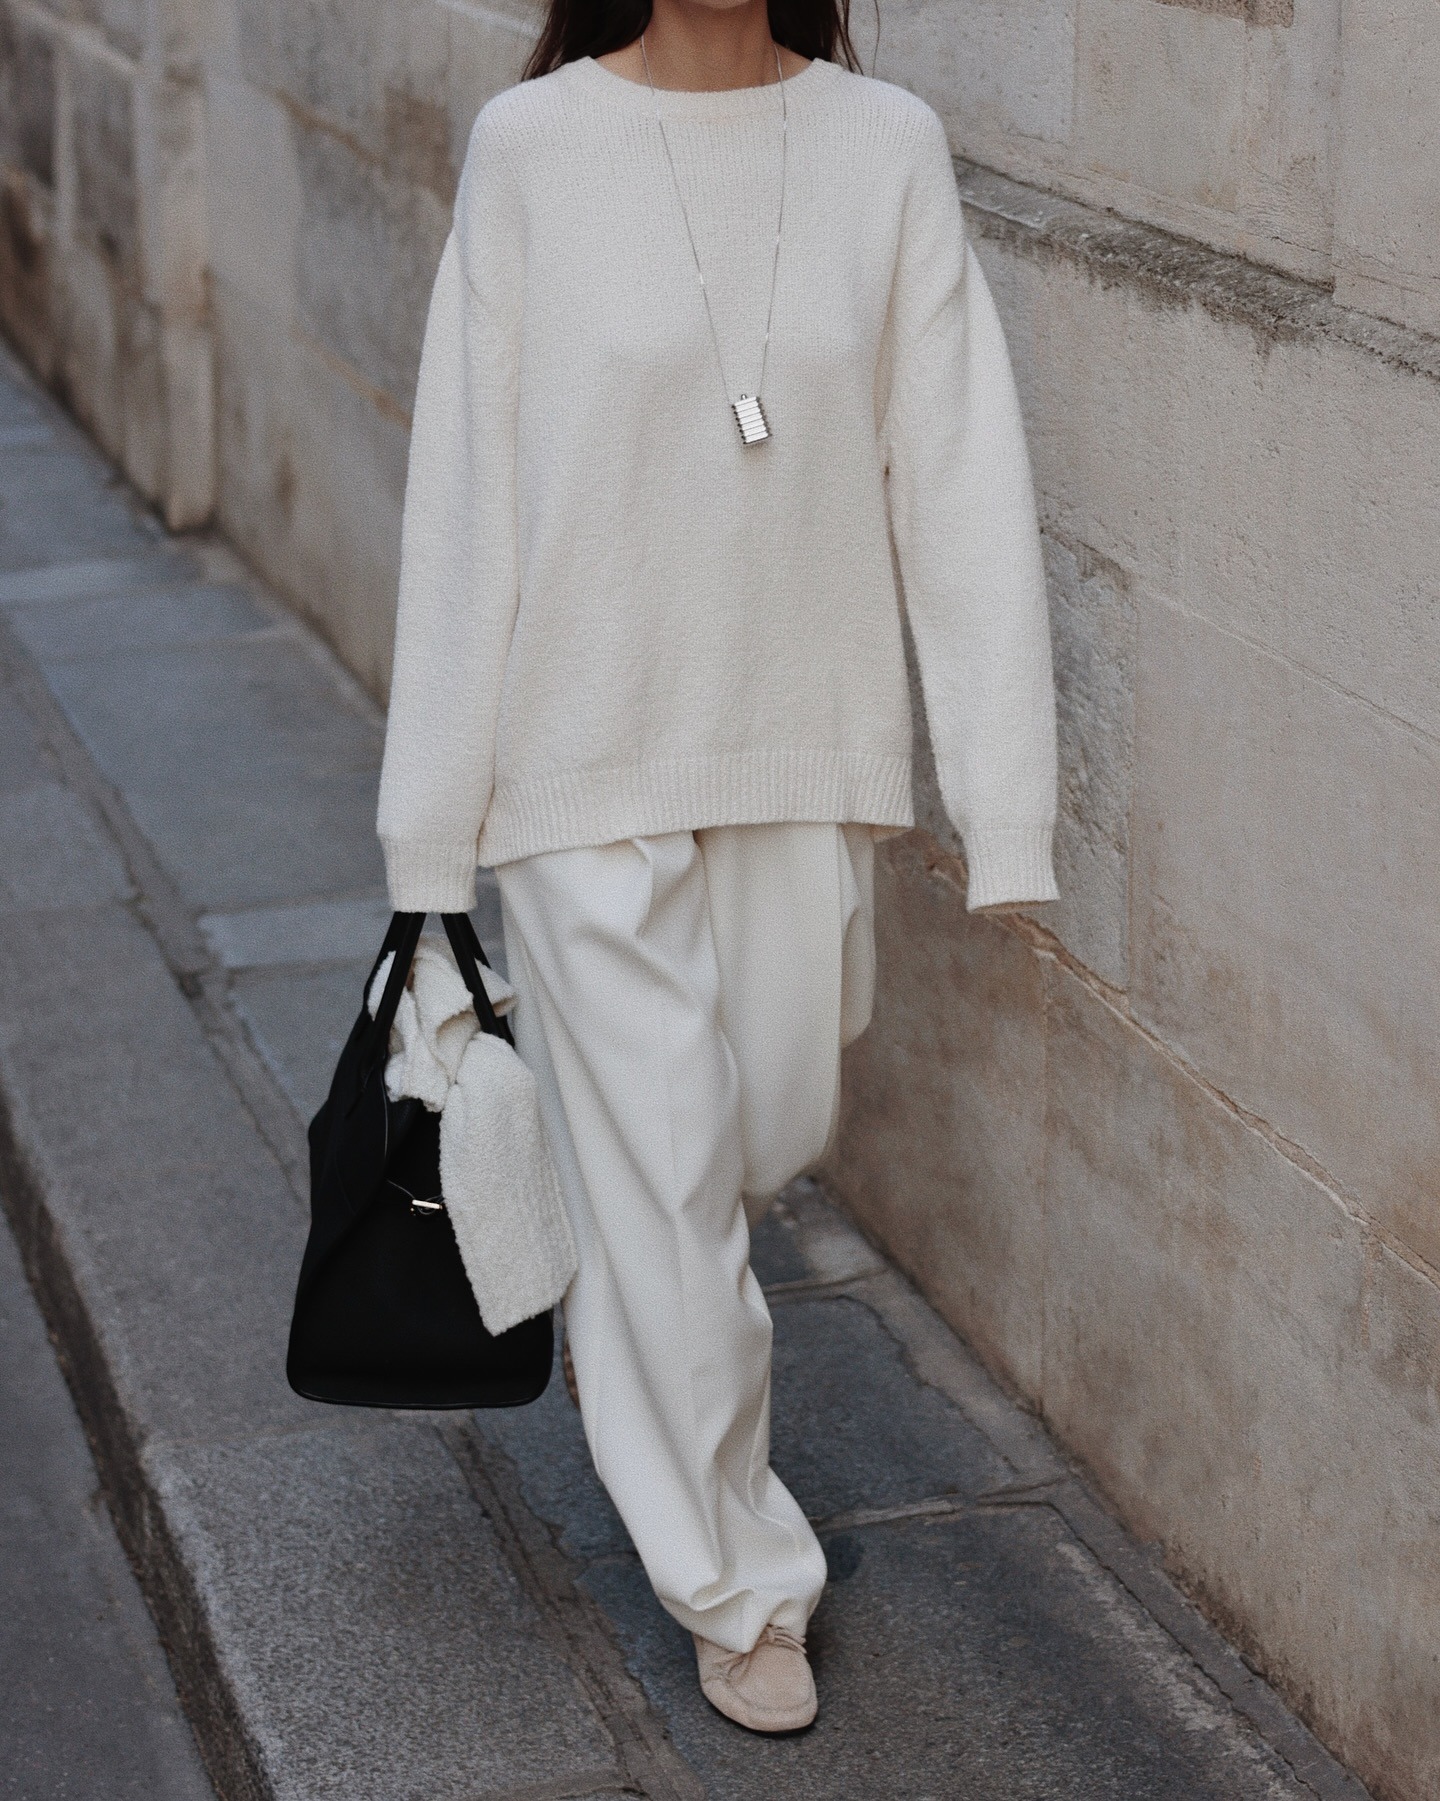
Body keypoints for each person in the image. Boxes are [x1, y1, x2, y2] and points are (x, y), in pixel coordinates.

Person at [375, 0, 1059, 1736]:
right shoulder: (531, 151)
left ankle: (641, 1281)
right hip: (580, 755)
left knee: (752, 1135)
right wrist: (430, 832)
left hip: (796, 746)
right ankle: (738, 1581)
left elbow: (962, 475)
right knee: (671, 1171)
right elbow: (465, 495)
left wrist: (1002, 794)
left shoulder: (881, 145)